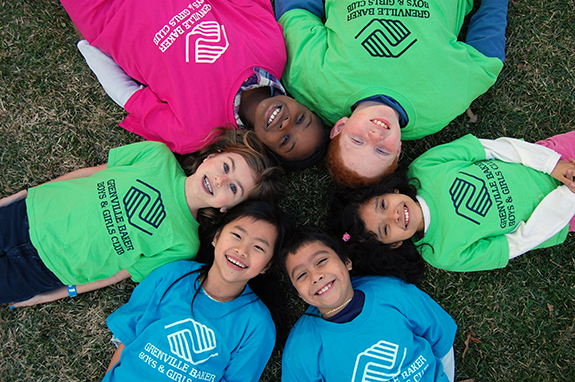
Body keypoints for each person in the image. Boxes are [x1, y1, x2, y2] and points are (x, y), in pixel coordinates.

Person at [0, 128, 284, 307]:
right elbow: (91, 173)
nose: (221, 180)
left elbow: (120, 273)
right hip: (29, 215)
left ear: (229, 208)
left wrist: (60, 293)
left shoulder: (184, 245)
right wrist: (26, 193)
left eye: (234, 188)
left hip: (47, 270)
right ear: (211, 156)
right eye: (226, 166)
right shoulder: (156, 155)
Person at [59, 0, 329, 168]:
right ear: (301, 103)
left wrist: (90, 46)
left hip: (104, 10)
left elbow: (129, 96)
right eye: (301, 120)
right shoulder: (273, 50)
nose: (286, 124)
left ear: (262, 146)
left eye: (285, 140)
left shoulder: (198, 132)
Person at [274, 0, 509, 186]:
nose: (375, 136)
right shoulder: (439, 107)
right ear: (398, 151)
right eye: (381, 151)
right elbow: (485, 56)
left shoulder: (314, 83)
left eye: (357, 140)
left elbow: (297, 13)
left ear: (339, 128)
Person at [327, 132, 575, 272]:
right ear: (393, 245)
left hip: (548, 159)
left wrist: (552, 165)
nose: (393, 215)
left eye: (382, 205)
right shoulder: (443, 254)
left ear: (388, 190)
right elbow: (516, 243)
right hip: (562, 215)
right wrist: (566, 200)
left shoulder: (425, 168)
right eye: (384, 229)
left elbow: (487, 149)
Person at [101, 200, 289, 382]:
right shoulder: (172, 275)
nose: (242, 250)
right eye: (237, 235)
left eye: (258, 247)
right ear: (216, 237)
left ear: (267, 265)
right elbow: (128, 334)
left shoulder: (258, 325)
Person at [279, 226, 457, 382]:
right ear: (298, 294)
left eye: (321, 261)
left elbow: (441, 339)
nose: (315, 276)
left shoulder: (393, 293)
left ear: (347, 261)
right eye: (301, 275)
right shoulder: (301, 350)